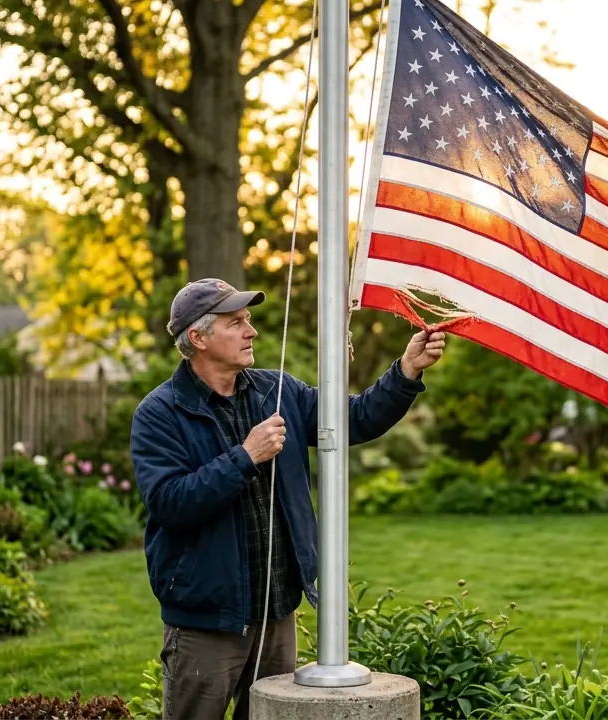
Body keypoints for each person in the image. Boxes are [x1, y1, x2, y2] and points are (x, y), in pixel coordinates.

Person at [130, 277, 446, 720]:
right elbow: (170, 503)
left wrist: (406, 372)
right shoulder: (160, 413)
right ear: (198, 338)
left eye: (249, 319)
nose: (251, 330)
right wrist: (246, 456)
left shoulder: (277, 391)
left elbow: (353, 420)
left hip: (277, 615)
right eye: (235, 322)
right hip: (207, 624)